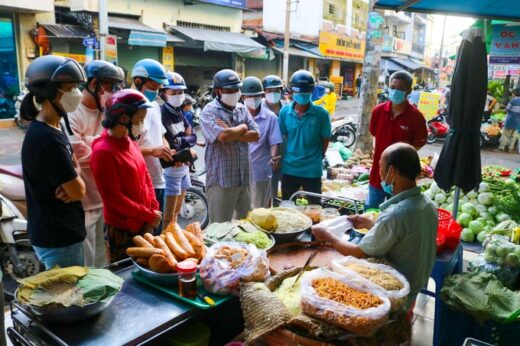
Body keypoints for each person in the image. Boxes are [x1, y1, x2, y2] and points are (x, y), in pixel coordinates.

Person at [312, 143, 437, 311]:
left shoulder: (396, 214)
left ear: (392, 171)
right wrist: (373, 225)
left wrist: (327, 235)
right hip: (416, 282)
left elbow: (359, 252)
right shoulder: (427, 204)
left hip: (396, 291)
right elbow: (401, 237)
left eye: (380, 167)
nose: (379, 173)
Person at [20, 55, 87, 269]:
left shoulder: (55, 127)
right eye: (71, 87)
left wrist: (75, 175)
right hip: (58, 238)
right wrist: (77, 181)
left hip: (62, 232)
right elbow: (78, 191)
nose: (77, 93)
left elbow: (76, 165)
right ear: (49, 90)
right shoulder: (46, 138)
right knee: (68, 299)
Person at [90, 90, 161, 262]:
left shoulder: (130, 141)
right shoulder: (103, 152)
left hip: (144, 221)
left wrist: (153, 206)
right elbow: (114, 199)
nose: (142, 125)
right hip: (123, 229)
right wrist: (148, 214)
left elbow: (145, 175)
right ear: (123, 119)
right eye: (139, 120)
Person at [67, 60, 123, 267]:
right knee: (87, 262)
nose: (113, 91)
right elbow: (78, 152)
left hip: (104, 197)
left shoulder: (106, 112)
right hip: (84, 202)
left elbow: (117, 145)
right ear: (93, 84)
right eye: (109, 85)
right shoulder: (73, 113)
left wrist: (93, 143)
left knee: (102, 258)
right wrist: (103, 146)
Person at [200, 69, 260, 223]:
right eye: (230, 90)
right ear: (218, 91)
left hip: (244, 178)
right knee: (220, 227)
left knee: (245, 226)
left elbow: (256, 135)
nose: (235, 93)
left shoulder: (242, 108)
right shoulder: (209, 111)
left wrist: (230, 129)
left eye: (237, 89)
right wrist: (242, 127)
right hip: (222, 180)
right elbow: (223, 136)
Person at [366, 70, 427, 210]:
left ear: (409, 91)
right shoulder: (378, 111)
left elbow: (420, 141)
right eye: (393, 87)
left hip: (401, 178)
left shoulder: (416, 117)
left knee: (396, 216)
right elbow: (374, 133)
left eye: (400, 89)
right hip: (378, 174)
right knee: (371, 212)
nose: (395, 91)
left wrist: (402, 155)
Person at [132, 59, 173, 234]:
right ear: (138, 81)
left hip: (158, 181)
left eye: (158, 88)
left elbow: (161, 135)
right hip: (140, 185)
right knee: (142, 238)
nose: (155, 92)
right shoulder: (128, 108)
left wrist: (166, 150)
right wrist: (152, 151)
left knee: (156, 235)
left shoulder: (155, 106)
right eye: (153, 87)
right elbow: (123, 149)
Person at [279, 70, 331, 204]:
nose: (302, 93)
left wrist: (317, 157)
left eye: (306, 90)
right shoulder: (284, 112)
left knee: (315, 207)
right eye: (298, 90)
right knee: (287, 206)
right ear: (291, 91)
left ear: (312, 90)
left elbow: (325, 139)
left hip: (312, 169)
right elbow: (283, 137)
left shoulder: (322, 114)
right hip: (289, 167)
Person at [160, 72, 197, 228]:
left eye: (180, 92)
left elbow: (193, 137)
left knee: (175, 215)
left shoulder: (180, 112)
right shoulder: (162, 113)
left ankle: (173, 239)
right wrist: (183, 140)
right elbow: (170, 144)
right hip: (171, 170)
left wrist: (180, 139)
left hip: (184, 168)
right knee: (168, 216)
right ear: (163, 94)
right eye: (173, 93)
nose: (178, 95)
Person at [242, 76, 283, 208]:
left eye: (257, 96)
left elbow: (274, 142)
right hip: (238, 172)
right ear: (243, 97)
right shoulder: (236, 114)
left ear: (262, 96)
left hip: (260, 171)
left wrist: (273, 157)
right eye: (249, 96)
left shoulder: (270, 117)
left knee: (260, 209)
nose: (253, 100)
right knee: (239, 213)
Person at [262, 75, 287, 202]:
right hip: (267, 160)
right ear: (264, 92)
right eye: (269, 90)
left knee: (287, 195)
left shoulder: (288, 108)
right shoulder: (258, 109)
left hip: (286, 158)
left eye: (276, 90)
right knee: (268, 197)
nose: (273, 93)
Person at [499, 88, 520, 153]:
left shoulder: (513, 100)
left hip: (510, 120)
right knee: (513, 136)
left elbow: (507, 109)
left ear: (514, 93)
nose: (512, 94)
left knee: (506, 134)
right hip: (518, 122)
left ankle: (502, 147)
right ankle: (510, 149)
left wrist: (503, 108)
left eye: (512, 93)